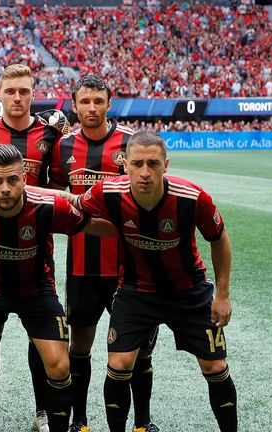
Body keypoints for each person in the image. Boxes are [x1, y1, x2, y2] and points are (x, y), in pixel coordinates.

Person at [75, 130, 236, 432]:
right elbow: (76, 212)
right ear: (124, 164)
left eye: (153, 163)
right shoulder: (107, 193)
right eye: (137, 163)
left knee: (215, 366)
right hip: (136, 291)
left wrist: (222, 295)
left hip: (188, 291)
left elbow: (219, 240)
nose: (145, 172)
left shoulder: (192, 198)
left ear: (166, 165)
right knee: (119, 365)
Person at [0, 144, 115, 432]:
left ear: (24, 178)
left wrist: (135, 225)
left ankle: (49, 419)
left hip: (37, 291)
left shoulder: (49, 207)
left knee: (60, 366)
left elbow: (93, 224)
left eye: (12, 180)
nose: (5, 189)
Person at [0, 64, 68, 432]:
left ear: (33, 94)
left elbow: (62, 183)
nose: (17, 98)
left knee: (42, 338)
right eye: (10, 92)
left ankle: (43, 413)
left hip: (38, 250)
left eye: (24, 91)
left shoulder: (49, 133)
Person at [47, 75, 159, 432]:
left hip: (130, 266)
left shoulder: (130, 143)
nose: (92, 108)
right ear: (75, 105)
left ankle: (142, 422)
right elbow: (53, 195)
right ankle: (80, 421)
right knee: (80, 344)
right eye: (85, 102)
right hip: (81, 265)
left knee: (138, 349)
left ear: (109, 103)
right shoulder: (64, 146)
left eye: (98, 101)